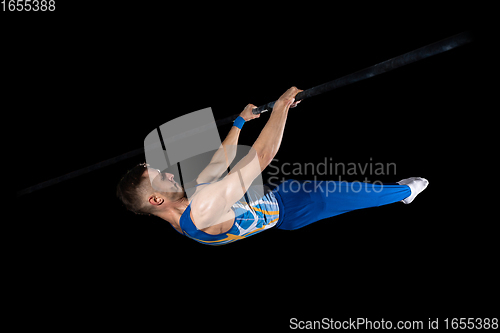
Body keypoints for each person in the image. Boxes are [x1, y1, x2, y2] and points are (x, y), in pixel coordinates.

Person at [117, 87, 428, 245]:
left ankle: (399, 192)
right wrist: (281, 108)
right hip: (296, 206)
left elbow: (219, 162)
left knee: (351, 192)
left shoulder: (186, 212)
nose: (170, 173)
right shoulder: (200, 212)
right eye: (161, 178)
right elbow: (260, 158)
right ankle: (405, 192)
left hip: (280, 206)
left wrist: (240, 122)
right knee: (355, 193)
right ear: (155, 200)